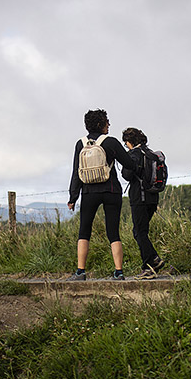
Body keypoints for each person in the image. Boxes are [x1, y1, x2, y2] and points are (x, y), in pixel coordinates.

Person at [68, 109, 136, 281]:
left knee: (84, 230)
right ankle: (119, 272)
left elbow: (76, 173)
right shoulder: (111, 142)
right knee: (113, 231)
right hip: (111, 190)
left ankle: (80, 272)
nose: (109, 125)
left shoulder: (80, 144)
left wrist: (72, 197)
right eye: (107, 121)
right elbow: (129, 163)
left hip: (89, 191)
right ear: (101, 123)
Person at [121, 127, 166, 280]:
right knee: (141, 231)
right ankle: (153, 259)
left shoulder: (134, 154)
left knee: (139, 232)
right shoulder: (151, 153)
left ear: (129, 142)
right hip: (153, 197)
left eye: (126, 143)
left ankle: (150, 265)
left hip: (139, 197)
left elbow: (127, 175)